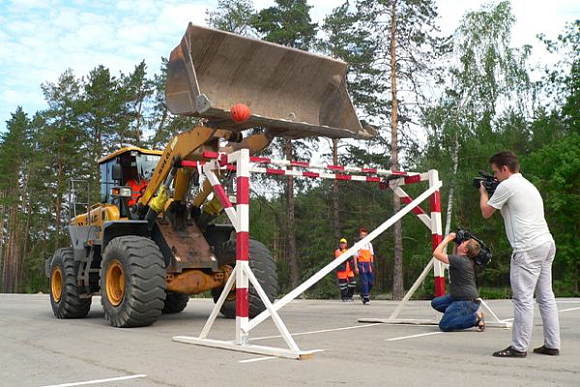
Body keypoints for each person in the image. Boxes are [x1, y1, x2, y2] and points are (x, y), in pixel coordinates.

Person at [480, 150, 560, 358]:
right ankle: (552, 344)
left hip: (527, 249)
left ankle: (519, 347)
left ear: (505, 169)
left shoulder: (507, 185)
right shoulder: (527, 185)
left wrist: (483, 192)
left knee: (523, 299)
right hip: (546, 243)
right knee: (545, 297)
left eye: (496, 172)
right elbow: (510, 210)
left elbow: (486, 212)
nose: (495, 176)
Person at [431, 233, 485, 332]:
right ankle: (456, 315)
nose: (462, 242)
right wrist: (456, 241)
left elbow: (436, 253)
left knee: (444, 325)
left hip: (466, 301)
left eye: (464, 242)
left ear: (465, 250)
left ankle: (475, 318)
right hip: (458, 298)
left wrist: (447, 239)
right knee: (436, 303)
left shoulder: (460, 260)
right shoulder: (463, 259)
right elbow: (455, 253)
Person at [354, 228, 374, 305]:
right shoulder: (357, 244)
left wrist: (372, 264)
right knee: (364, 281)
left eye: (364, 235)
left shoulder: (369, 244)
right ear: (360, 236)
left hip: (369, 264)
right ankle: (365, 297)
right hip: (361, 263)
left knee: (371, 282)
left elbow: (371, 255)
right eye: (362, 235)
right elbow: (355, 256)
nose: (363, 236)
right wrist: (356, 267)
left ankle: (364, 293)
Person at [335, 238, 356, 302]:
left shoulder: (348, 250)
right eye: (341, 243)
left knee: (353, 283)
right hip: (342, 270)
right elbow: (342, 258)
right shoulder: (337, 251)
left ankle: (349, 296)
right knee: (343, 285)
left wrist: (349, 257)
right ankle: (344, 297)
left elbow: (350, 257)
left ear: (346, 244)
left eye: (343, 243)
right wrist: (348, 257)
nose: (342, 244)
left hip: (349, 270)